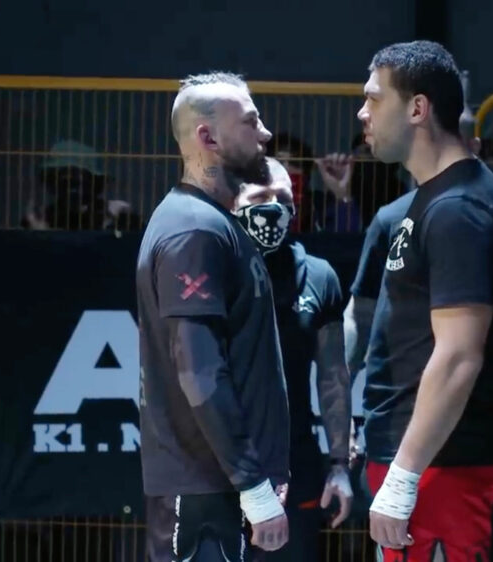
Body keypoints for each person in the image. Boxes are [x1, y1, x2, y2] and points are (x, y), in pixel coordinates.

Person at [344, 112, 493, 561]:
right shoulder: (390, 221)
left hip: (473, 447)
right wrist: (344, 421)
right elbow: (361, 317)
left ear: (475, 147)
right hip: (396, 440)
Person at [355, 40, 493, 561]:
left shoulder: (459, 209)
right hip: (426, 461)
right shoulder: (438, 199)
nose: (362, 113)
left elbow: (458, 355)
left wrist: (404, 476)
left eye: (374, 98)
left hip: (445, 469)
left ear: (417, 108)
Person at [136, 71, 290, 562]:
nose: (265, 133)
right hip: (205, 494)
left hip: (218, 489)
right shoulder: (194, 230)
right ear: (209, 138)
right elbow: (199, 372)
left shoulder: (212, 223)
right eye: (251, 122)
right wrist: (253, 485)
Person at [230, 157, 354, 562]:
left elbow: (333, 376)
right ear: (233, 203)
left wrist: (339, 463)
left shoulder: (317, 276)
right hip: (220, 462)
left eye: (282, 199)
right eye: (260, 197)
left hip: (293, 461)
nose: (272, 208)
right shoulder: (211, 269)